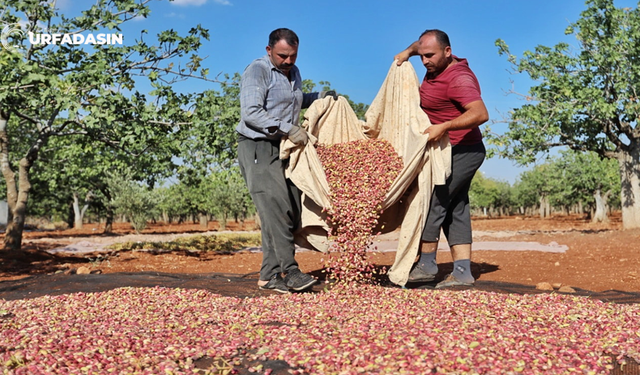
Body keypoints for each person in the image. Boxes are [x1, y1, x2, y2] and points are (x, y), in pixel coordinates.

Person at [236, 28, 337, 293]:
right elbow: (251, 113)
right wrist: (288, 128)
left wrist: (318, 98)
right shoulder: (257, 71)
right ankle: (289, 271)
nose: (288, 61)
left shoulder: (294, 72)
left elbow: (292, 101)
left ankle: (269, 276)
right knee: (276, 208)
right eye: (283, 56)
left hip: (285, 148)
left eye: (293, 56)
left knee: (291, 207)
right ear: (269, 50)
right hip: (259, 147)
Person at [394, 29, 488, 288]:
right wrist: (406, 53)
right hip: (446, 151)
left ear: (448, 51)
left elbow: (480, 113)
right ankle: (462, 272)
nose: (425, 62)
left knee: (432, 201)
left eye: (430, 56)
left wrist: (444, 127)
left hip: (463, 150)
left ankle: (426, 265)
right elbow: (419, 46)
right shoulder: (430, 57)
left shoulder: (459, 79)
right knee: (456, 207)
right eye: (422, 56)